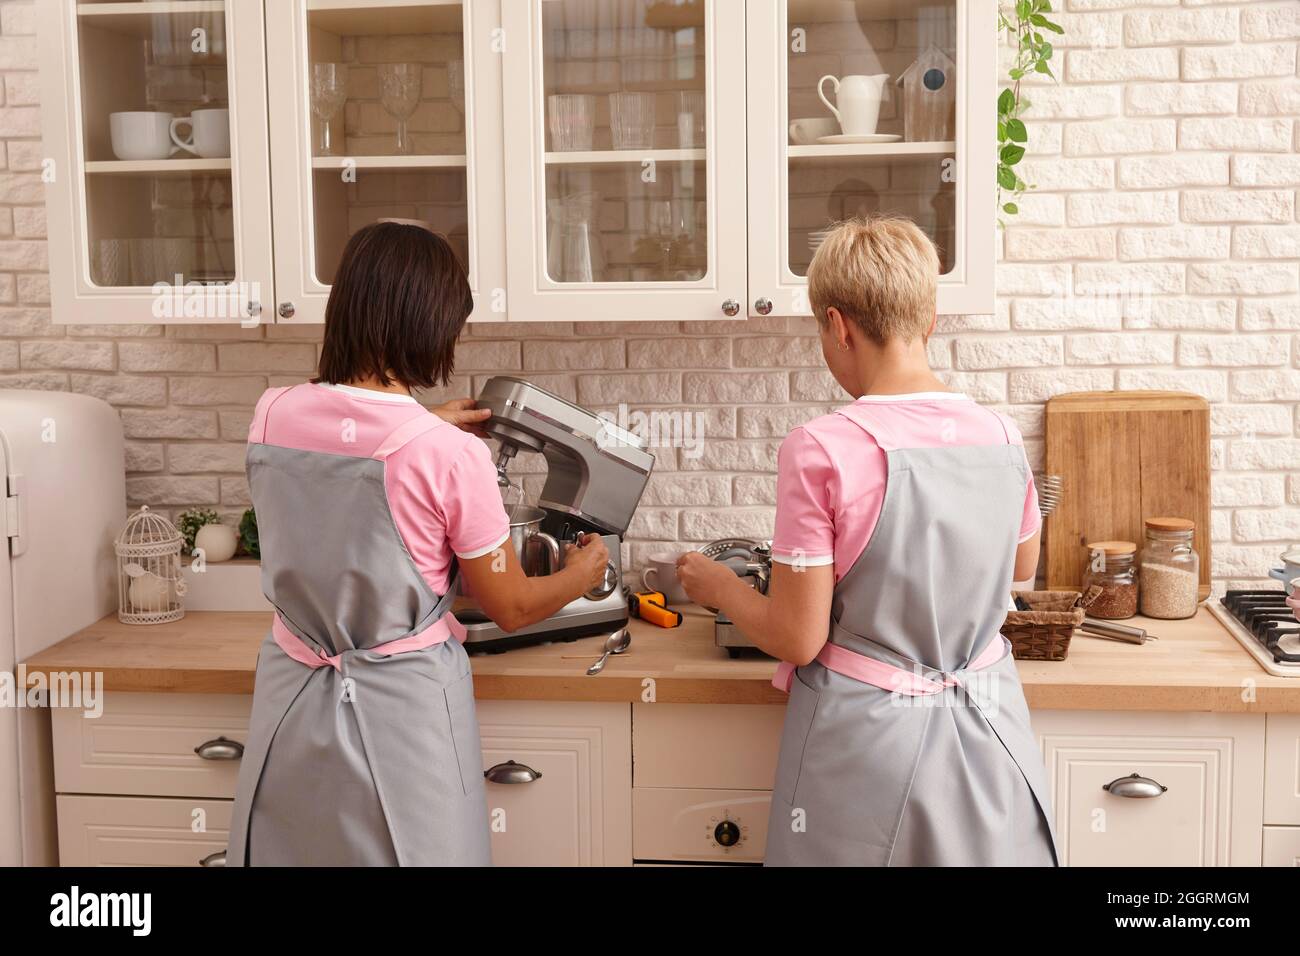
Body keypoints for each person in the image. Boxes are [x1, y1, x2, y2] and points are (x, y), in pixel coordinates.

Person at [676, 216, 1058, 867]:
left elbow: (798, 637)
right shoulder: (998, 434)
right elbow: (1021, 566)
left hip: (868, 743)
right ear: (930, 319)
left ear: (838, 325)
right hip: (989, 724)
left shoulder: (821, 448)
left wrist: (721, 587)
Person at [227, 222, 609, 866]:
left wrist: (420, 430)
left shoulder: (271, 414)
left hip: (291, 697)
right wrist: (584, 570)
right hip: (403, 713)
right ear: (427, 326)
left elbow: (346, 464)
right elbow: (509, 605)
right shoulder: (452, 455)